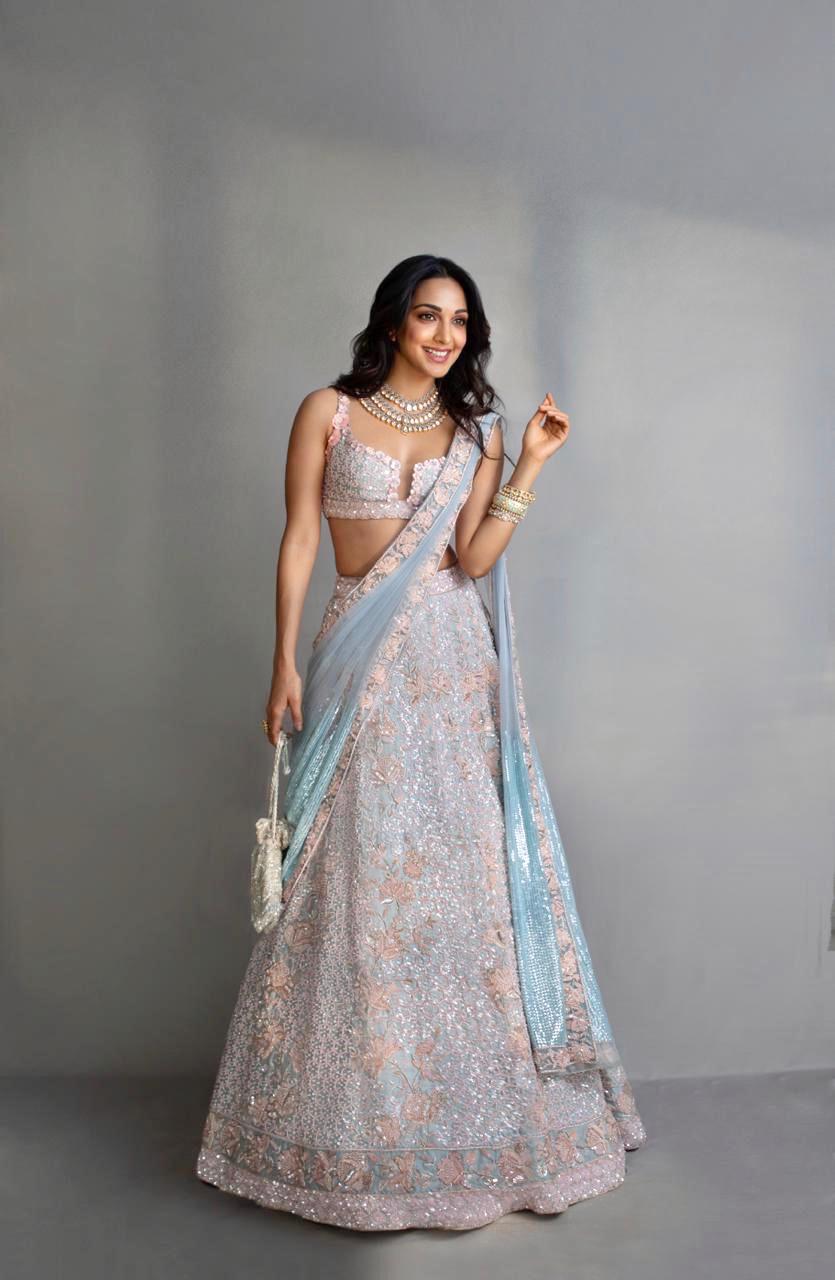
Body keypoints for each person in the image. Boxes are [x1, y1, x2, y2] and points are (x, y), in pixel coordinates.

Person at [194, 253, 647, 1231]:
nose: (445, 334)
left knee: (462, 873)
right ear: (394, 320)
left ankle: (479, 1116)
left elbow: (471, 558)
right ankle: (353, 1116)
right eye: (428, 315)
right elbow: (300, 538)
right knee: (359, 870)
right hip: (359, 655)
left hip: (451, 664)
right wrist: (281, 660)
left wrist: (528, 463)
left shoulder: (475, 432)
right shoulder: (328, 411)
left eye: (460, 320)